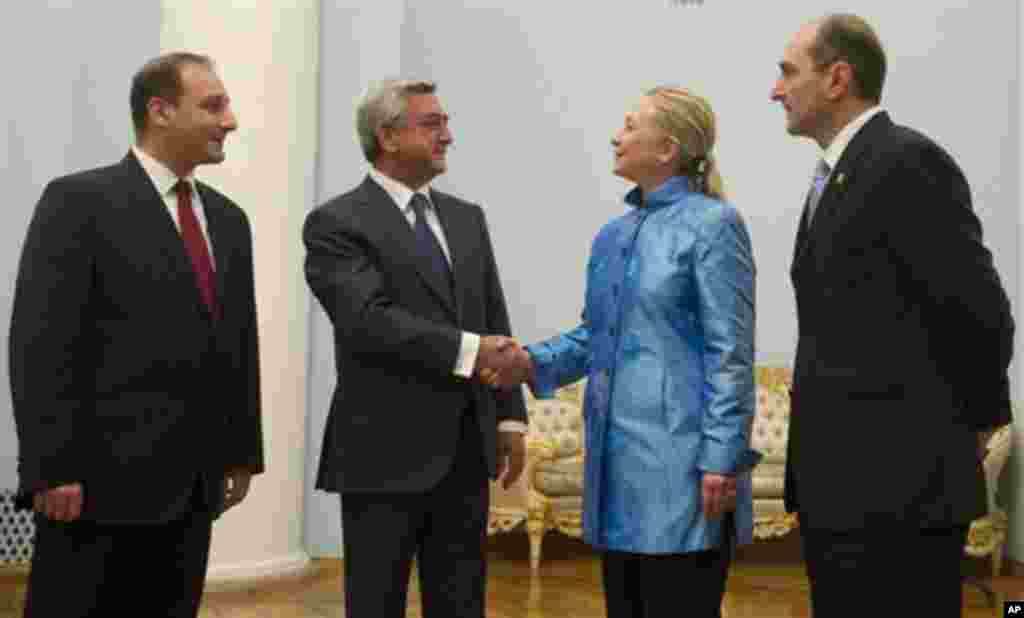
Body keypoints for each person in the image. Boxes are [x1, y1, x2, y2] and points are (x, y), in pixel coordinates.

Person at [771, 14, 1014, 617]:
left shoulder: (906, 162)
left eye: (787, 72)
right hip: (842, 489)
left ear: (837, 79)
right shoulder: (834, 174)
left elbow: (981, 309)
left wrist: (980, 418)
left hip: (902, 489)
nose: (775, 90)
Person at [8, 52, 264, 617]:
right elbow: (42, 343)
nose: (231, 120)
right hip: (96, 489)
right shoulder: (78, 202)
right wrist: (52, 467)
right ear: (161, 111)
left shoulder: (228, 220)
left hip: (193, 489)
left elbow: (238, 344)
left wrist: (241, 450)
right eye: (214, 105)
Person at [489, 86, 757, 618]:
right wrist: (530, 362)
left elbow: (731, 353)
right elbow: (597, 335)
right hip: (616, 467)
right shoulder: (612, 236)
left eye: (631, 126)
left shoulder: (714, 225)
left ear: (668, 148)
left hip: (685, 471)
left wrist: (721, 459)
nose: (618, 135)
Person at [303, 79, 531, 618]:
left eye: (445, 122)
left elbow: (492, 314)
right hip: (382, 451)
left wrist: (509, 419)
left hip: (466, 448)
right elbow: (367, 321)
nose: (448, 135)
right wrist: (472, 351)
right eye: (432, 124)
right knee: (376, 602)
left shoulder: (466, 217)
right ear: (387, 136)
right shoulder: (337, 223)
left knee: (462, 601)